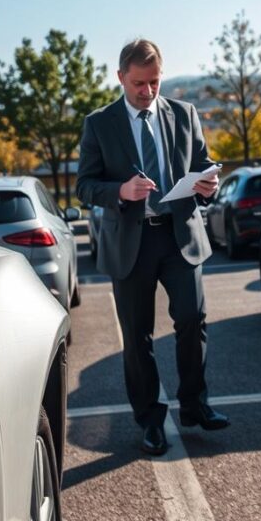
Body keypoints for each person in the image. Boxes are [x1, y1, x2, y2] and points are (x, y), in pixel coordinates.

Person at [76, 39, 229, 456]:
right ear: (121, 77)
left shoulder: (185, 114)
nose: (147, 91)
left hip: (179, 236)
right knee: (138, 335)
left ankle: (196, 405)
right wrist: (121, 190)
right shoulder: (100, 123)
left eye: (154, 82)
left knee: (192, 320)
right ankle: (150, 421)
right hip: (131, 242)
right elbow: (85, 186)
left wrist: (208, 184)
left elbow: (202, 165)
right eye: (139, 83)